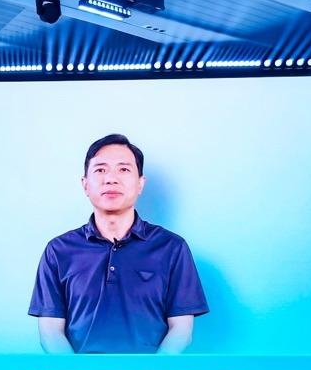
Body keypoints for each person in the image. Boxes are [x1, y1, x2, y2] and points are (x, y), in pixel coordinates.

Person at [28, 134, 208, 354]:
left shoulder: (172, 248)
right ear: (85, 184)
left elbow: (181, 330)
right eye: (100, 170)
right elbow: (50, 333)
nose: (111, 179)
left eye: (123, 169)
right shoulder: (58, 251)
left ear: (140, 183)